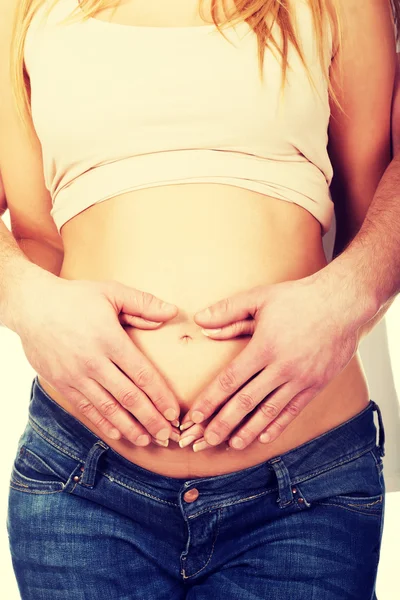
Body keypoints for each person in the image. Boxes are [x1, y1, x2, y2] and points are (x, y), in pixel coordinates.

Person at [0, 0, 398, 597]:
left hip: (303, 492)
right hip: (84, 487)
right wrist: (28, 302)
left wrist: (343, 302)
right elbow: (35, 234)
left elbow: (374, 208)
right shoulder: (20, 11)